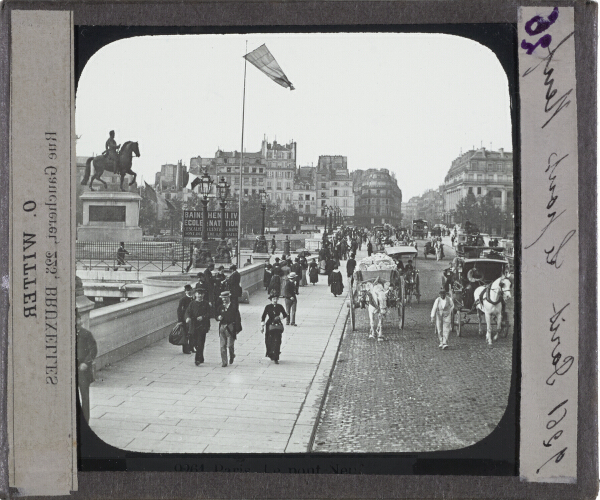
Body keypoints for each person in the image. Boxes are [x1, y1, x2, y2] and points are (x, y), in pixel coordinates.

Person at [76, 311, 97, 423]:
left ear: (80, 321)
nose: (76, 323)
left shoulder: (86, 334)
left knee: (84, 396)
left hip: (83, 371)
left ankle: (85, 421)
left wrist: (86, 363)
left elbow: (93, 350)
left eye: (77, 320)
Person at [185, 287, 212, 365]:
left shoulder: (206, 304)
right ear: (195, 294)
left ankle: (197, 359)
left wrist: (203, 317)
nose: (200, 295)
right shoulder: (192, 303)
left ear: (203, 295)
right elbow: (188, 312)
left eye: (201, 294)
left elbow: (209, 313)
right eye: (198, 294)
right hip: (194, 325)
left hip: (203, 326)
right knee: (195, 342)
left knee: (200, 342)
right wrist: (188, 317)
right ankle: (201, 357)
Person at [261, 293, 288, 364]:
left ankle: (276, 356)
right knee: (269, 340)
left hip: (277, 325)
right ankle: (270, 354)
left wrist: (280, 318)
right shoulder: (268, 307)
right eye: (273, 299)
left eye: (276, 299)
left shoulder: (280, 306)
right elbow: (263, 316)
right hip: (269, 324)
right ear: (271, 300)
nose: (275, 300)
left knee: (277, 340)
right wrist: (262, 326)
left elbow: (285, 314)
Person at [216, 291, 237, 367]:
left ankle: (232, 355)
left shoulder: (233, 307)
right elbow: (216, 315)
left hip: (230, 328)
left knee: (230, 345)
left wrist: (237, 329)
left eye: (225, 298)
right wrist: (218, 318)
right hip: (222, 327)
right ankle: (224, 362)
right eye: (222, 298)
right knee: (222, 345)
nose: (224, 300)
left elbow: (237, 318)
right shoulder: (220, 307)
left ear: (229, 297)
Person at [177, 284, 195, 354]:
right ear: (185, 291)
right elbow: (179, 310)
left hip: (192, 318)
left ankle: (191, 347)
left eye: (190, 290)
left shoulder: (193, 299)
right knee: (185, 334)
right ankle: (185, 349)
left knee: (192, 333)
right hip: (185, 319)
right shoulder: (183, 299)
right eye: (187, 290)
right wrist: (180, 320)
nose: (189, 292)